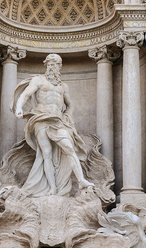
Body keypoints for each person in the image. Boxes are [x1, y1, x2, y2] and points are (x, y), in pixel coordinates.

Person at [11, 54, 94, 197]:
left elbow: (70, 105)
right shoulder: (38, 80)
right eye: (49, 64)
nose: (51, 67)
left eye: (54, 64)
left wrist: (68, 115)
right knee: (46, 154)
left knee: (69, 147)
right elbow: (25, 95)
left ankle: (81, 180)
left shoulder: (63, 86)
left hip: (58, 121)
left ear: (59, 67)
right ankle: (52, 188)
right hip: (41, 119)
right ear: (46, 66)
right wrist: (19, 107)